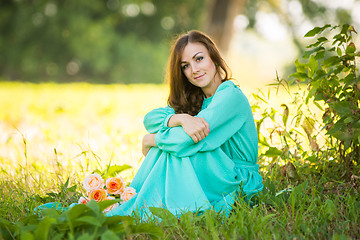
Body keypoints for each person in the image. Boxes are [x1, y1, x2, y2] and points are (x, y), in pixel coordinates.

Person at [105, 30, 263, 218]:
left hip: (237, 179)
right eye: (185, 66)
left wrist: (150, 140)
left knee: (175, 148)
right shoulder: (197, 99)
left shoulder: (230, 96)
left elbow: (184, 141)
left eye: (199, 59)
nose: (194, 70)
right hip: (216, 170)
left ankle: (143, 203)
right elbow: (150, 119)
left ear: (214, 57)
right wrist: (180, 118)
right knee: (172, 146)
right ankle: (140, 201)